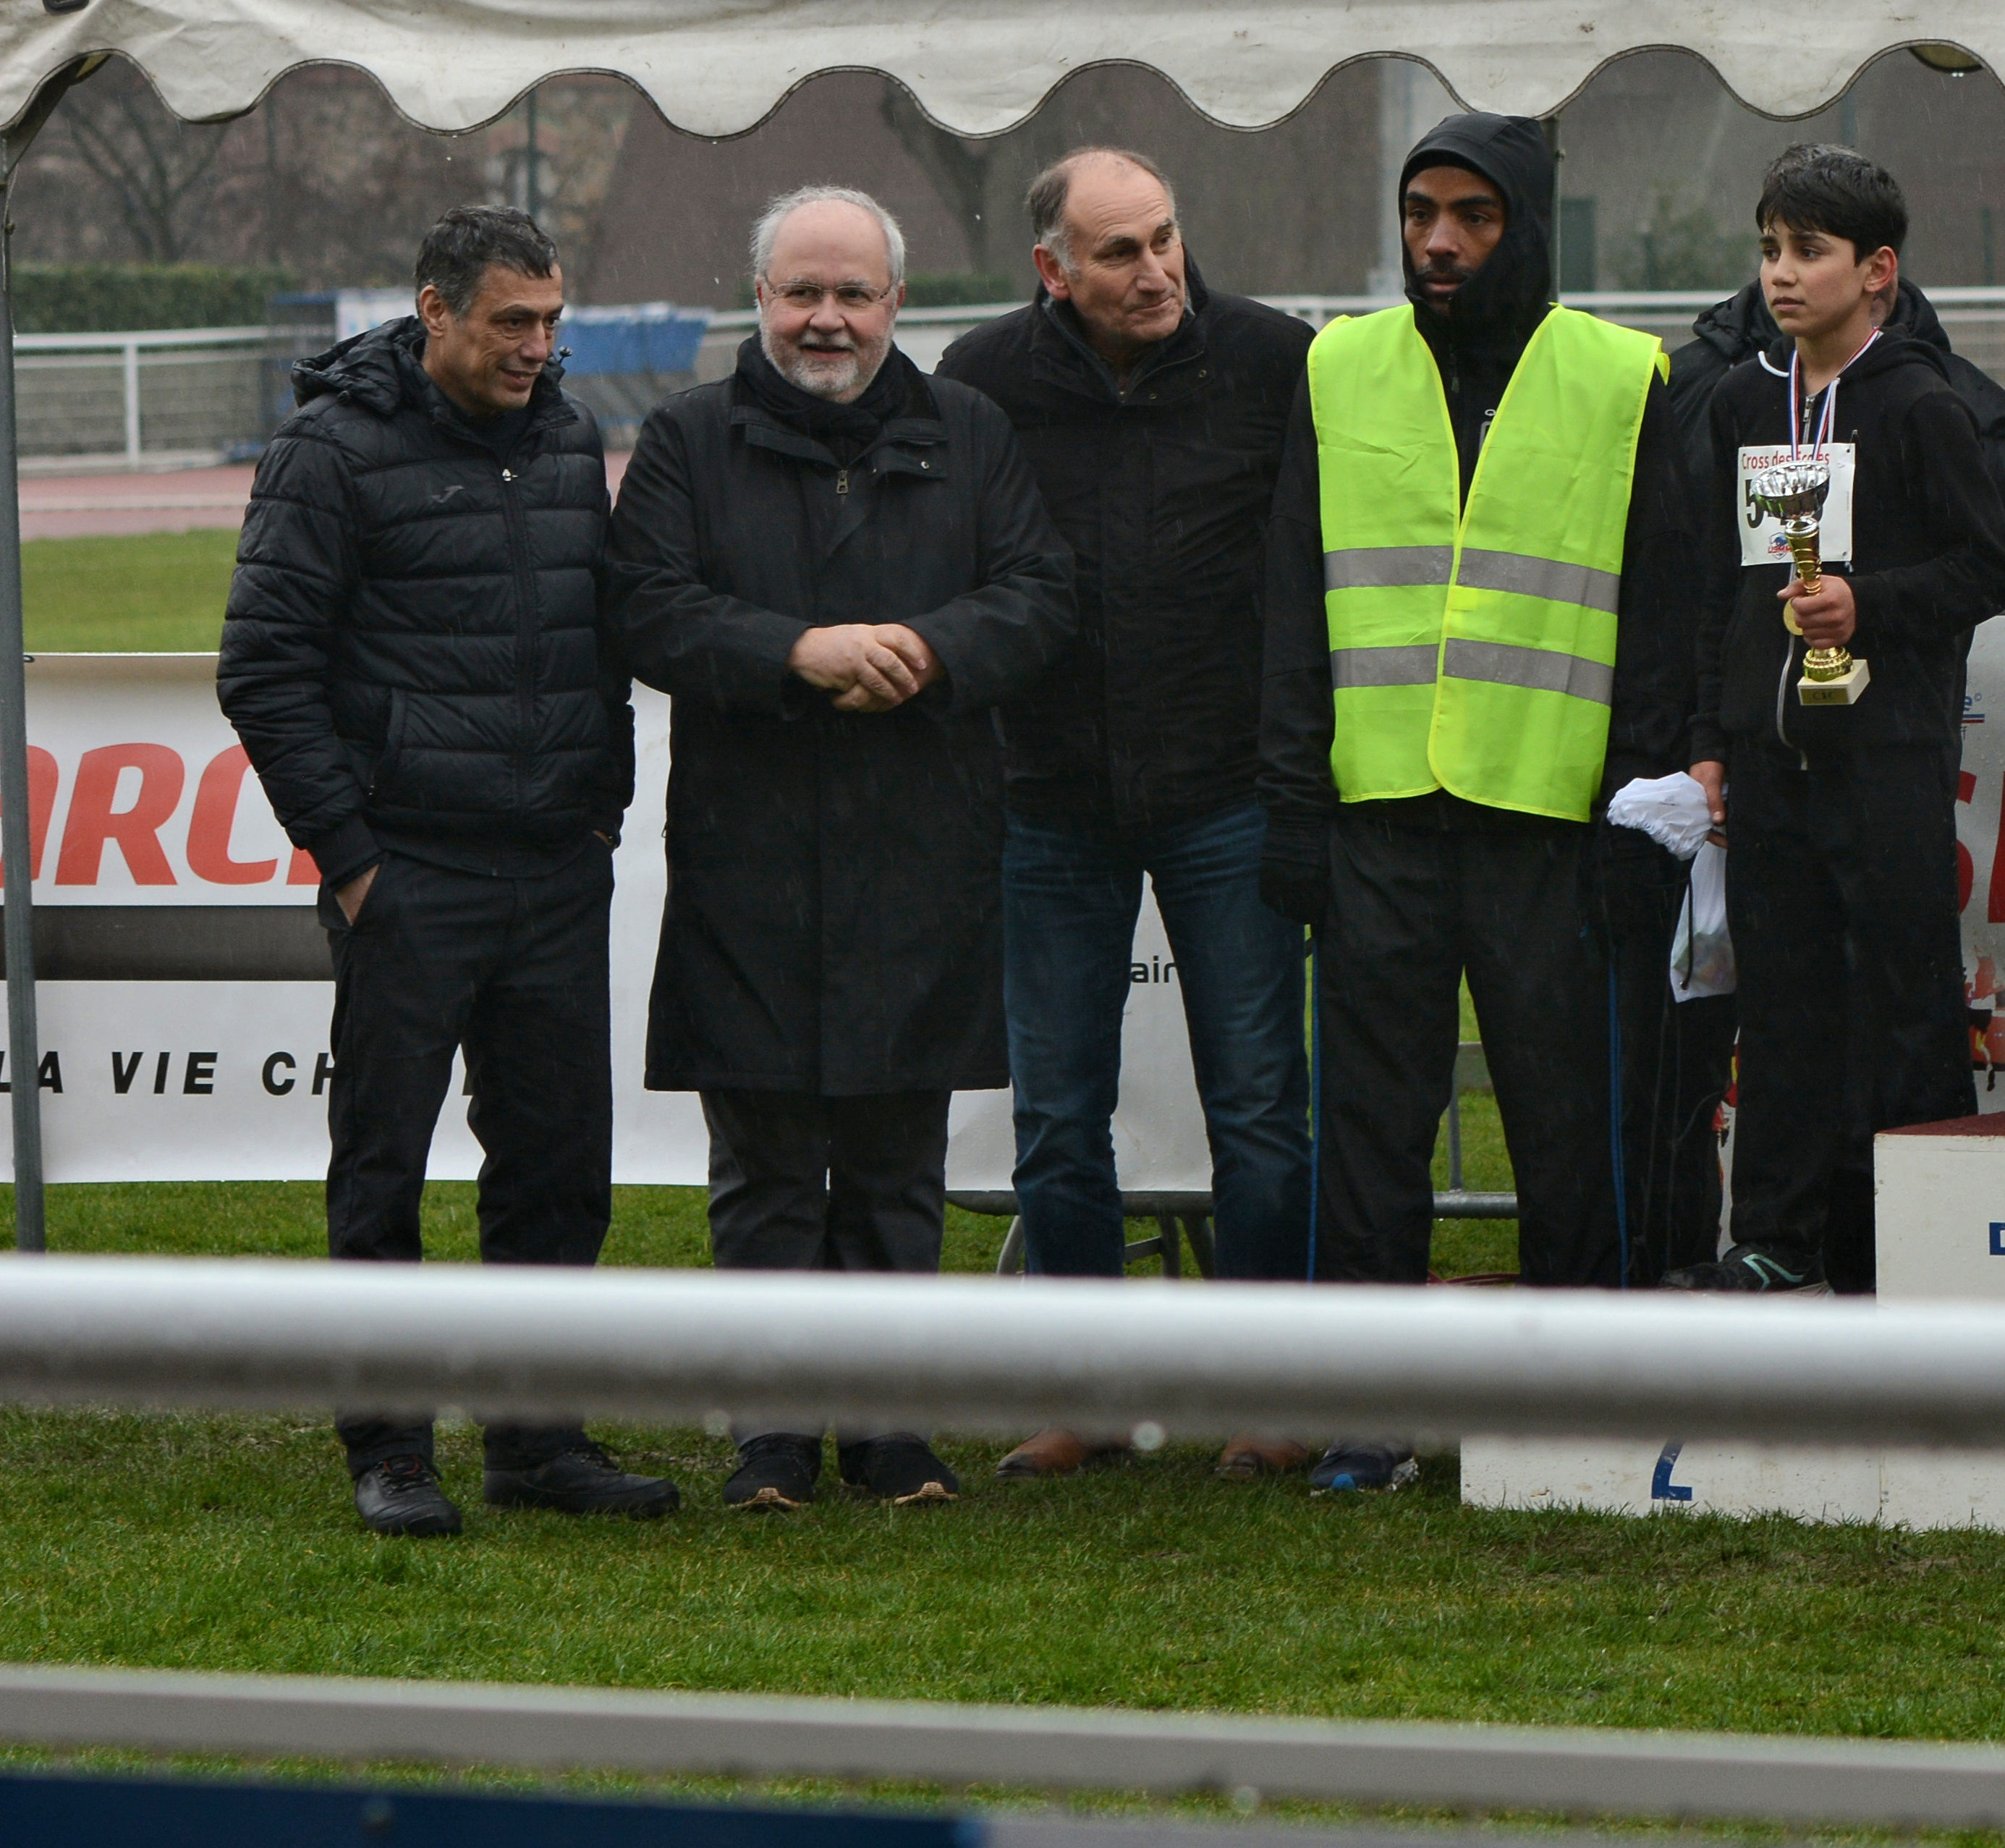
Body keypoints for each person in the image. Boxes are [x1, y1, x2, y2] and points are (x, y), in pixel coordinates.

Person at [614, 185, 1077, 1513]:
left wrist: (931, 651)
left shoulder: (970, 431)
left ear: (895, 303)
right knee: (764, 1170)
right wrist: (793, 653)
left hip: (920, 853)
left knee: (892, 1166)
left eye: (853, 294)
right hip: (746, 862)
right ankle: (772, 1435)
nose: (827, 318)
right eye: (801, 292)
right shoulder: (686, 439)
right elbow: (645, 609)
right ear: (759, 299)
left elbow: (1039, 598)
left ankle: (887, 1433)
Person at [218, 205, 677, 1539]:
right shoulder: (328, 447)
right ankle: (392, 1448)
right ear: (434, 311)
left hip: (553, 871)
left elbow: (594, 638)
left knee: (557, 1174)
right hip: (408, 873)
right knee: (385, 1172)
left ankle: (538, 1443)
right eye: (511, 324)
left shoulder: (568, 434)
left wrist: (599, 808)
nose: (539, 348)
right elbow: (263, 669)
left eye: (552, 321)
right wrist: (355, 863)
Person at [1257, 113, 1702, 1485]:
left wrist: (1640, 808)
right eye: (1420, 212)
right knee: (1369, 1137)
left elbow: (1668, 614)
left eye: (1474, 216)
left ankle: (1573, 1411)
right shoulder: (1338, 365)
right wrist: (1291, 796)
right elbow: (1290, 596)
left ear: (1530, 225)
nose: (1439, 242)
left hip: (1552, 819)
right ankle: (1369, 1414)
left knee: (1570, 1129)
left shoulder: (1630, 378)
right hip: (1376, 812)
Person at [938, 148, 1318, 1486]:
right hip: (1047, 801)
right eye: (1119, 253)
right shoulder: (979, 383)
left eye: (1164, 238)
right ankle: (1083, 1397)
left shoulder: (1276, 361)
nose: (1155, 271)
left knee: (1263, 1105)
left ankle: (1277, 1396)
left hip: (1229, 795)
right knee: (1057, 1114)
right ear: (1053, 270)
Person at [1629, 226, 2005, 1279]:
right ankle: (1778, 1241)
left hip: (1889, 756)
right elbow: (1723, 595)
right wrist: (1710, 740)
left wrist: (1863, 603)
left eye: (1809, 251)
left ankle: (1910, 1254)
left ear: (1878, 270)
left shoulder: (1922, 401)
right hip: (1768, 755)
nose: (1781, 272)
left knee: (1907, 1008)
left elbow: (1984, 570)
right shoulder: (1743, 399)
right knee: (1779, 1010)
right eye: (1769, 249)